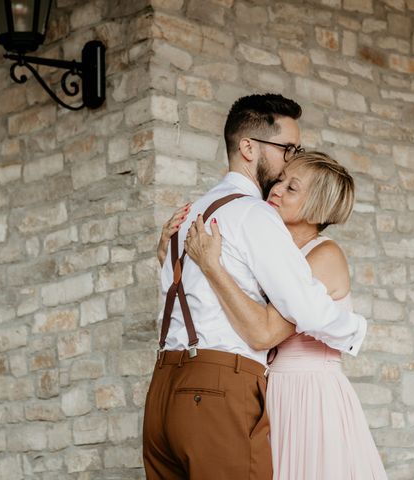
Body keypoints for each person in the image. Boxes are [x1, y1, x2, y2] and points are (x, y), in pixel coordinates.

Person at [143, 94, 367, 480]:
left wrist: (170, 256)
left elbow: (190, 294)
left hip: (164, 388)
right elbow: (302, 315)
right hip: (217, 390)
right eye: (287, 149)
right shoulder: (254, 215)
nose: (287, 163)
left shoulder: (194, 212)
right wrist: (355, 330)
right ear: (248, 147)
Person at [181, 152, 388, 479]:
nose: (275, 189)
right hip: (271, 393)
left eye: (292, 188)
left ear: (317, 207)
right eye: (280, 180)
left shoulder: (324, 254)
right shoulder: (277, 258)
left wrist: (211, 266)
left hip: (309, 397)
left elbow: (262, 331)